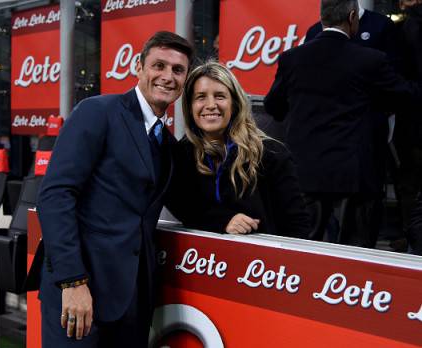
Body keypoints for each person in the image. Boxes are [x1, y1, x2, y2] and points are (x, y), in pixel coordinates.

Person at [36, 31, 193, 347]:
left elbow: (187, 206)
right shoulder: (98, 111)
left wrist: (230, 221)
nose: (167, 76)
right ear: (139, 67)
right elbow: (55, 195)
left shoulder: (168, 144)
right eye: (158, 65)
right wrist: (73, 282)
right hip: (80, 292)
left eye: (177, 70)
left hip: (132, 300)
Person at [264, 0, 422, 248]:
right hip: (355, 176)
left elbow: (274, 106)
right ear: (352, 17)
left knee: (303, 253)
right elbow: (405, 95)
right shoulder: (370, 60)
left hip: (305, 172)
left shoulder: (291, 58)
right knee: (355, 260)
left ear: (322, 18)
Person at [166, 61, 310, 238]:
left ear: (234, 103)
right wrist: (223, 221)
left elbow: (296, 225)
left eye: (220, 96)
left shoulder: (272, 153)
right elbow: (183, 207)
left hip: (262, 262)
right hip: (203, 262)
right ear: (190, 107)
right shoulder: (182, 153)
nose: (210, 105)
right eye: (200, 97)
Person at [392, 0, 422, 250]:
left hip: (413, 118)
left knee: (410, 180)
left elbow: (400, 73)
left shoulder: (409, 27)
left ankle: (412, 235)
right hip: (412, 116)